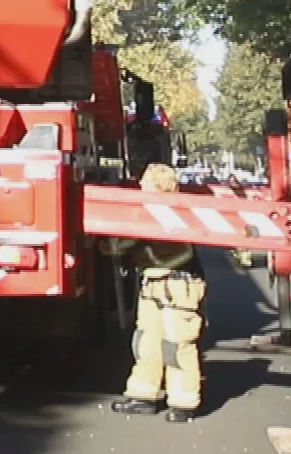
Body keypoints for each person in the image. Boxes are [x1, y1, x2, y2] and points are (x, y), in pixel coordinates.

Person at [109, 164, 208, 423]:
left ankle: (184, 402)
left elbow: (179, 252)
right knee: (146, 343)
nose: (141, 185)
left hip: (178, 283)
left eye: (146, 181)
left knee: (177, 344)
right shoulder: (146, 212)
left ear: (159, 185)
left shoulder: (172, 213)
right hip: (154, 283)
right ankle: (143, 395)